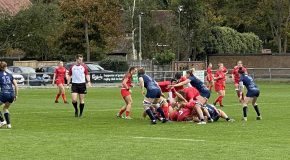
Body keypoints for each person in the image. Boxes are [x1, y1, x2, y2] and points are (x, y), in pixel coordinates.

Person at [0, 61, 18, 129]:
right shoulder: (10, 75)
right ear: (5, 67)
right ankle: (9, 124)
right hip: (11, 95)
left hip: (4, 94)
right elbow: (16, 85)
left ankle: (2, 121)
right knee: (5, 108)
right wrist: (16, 95)